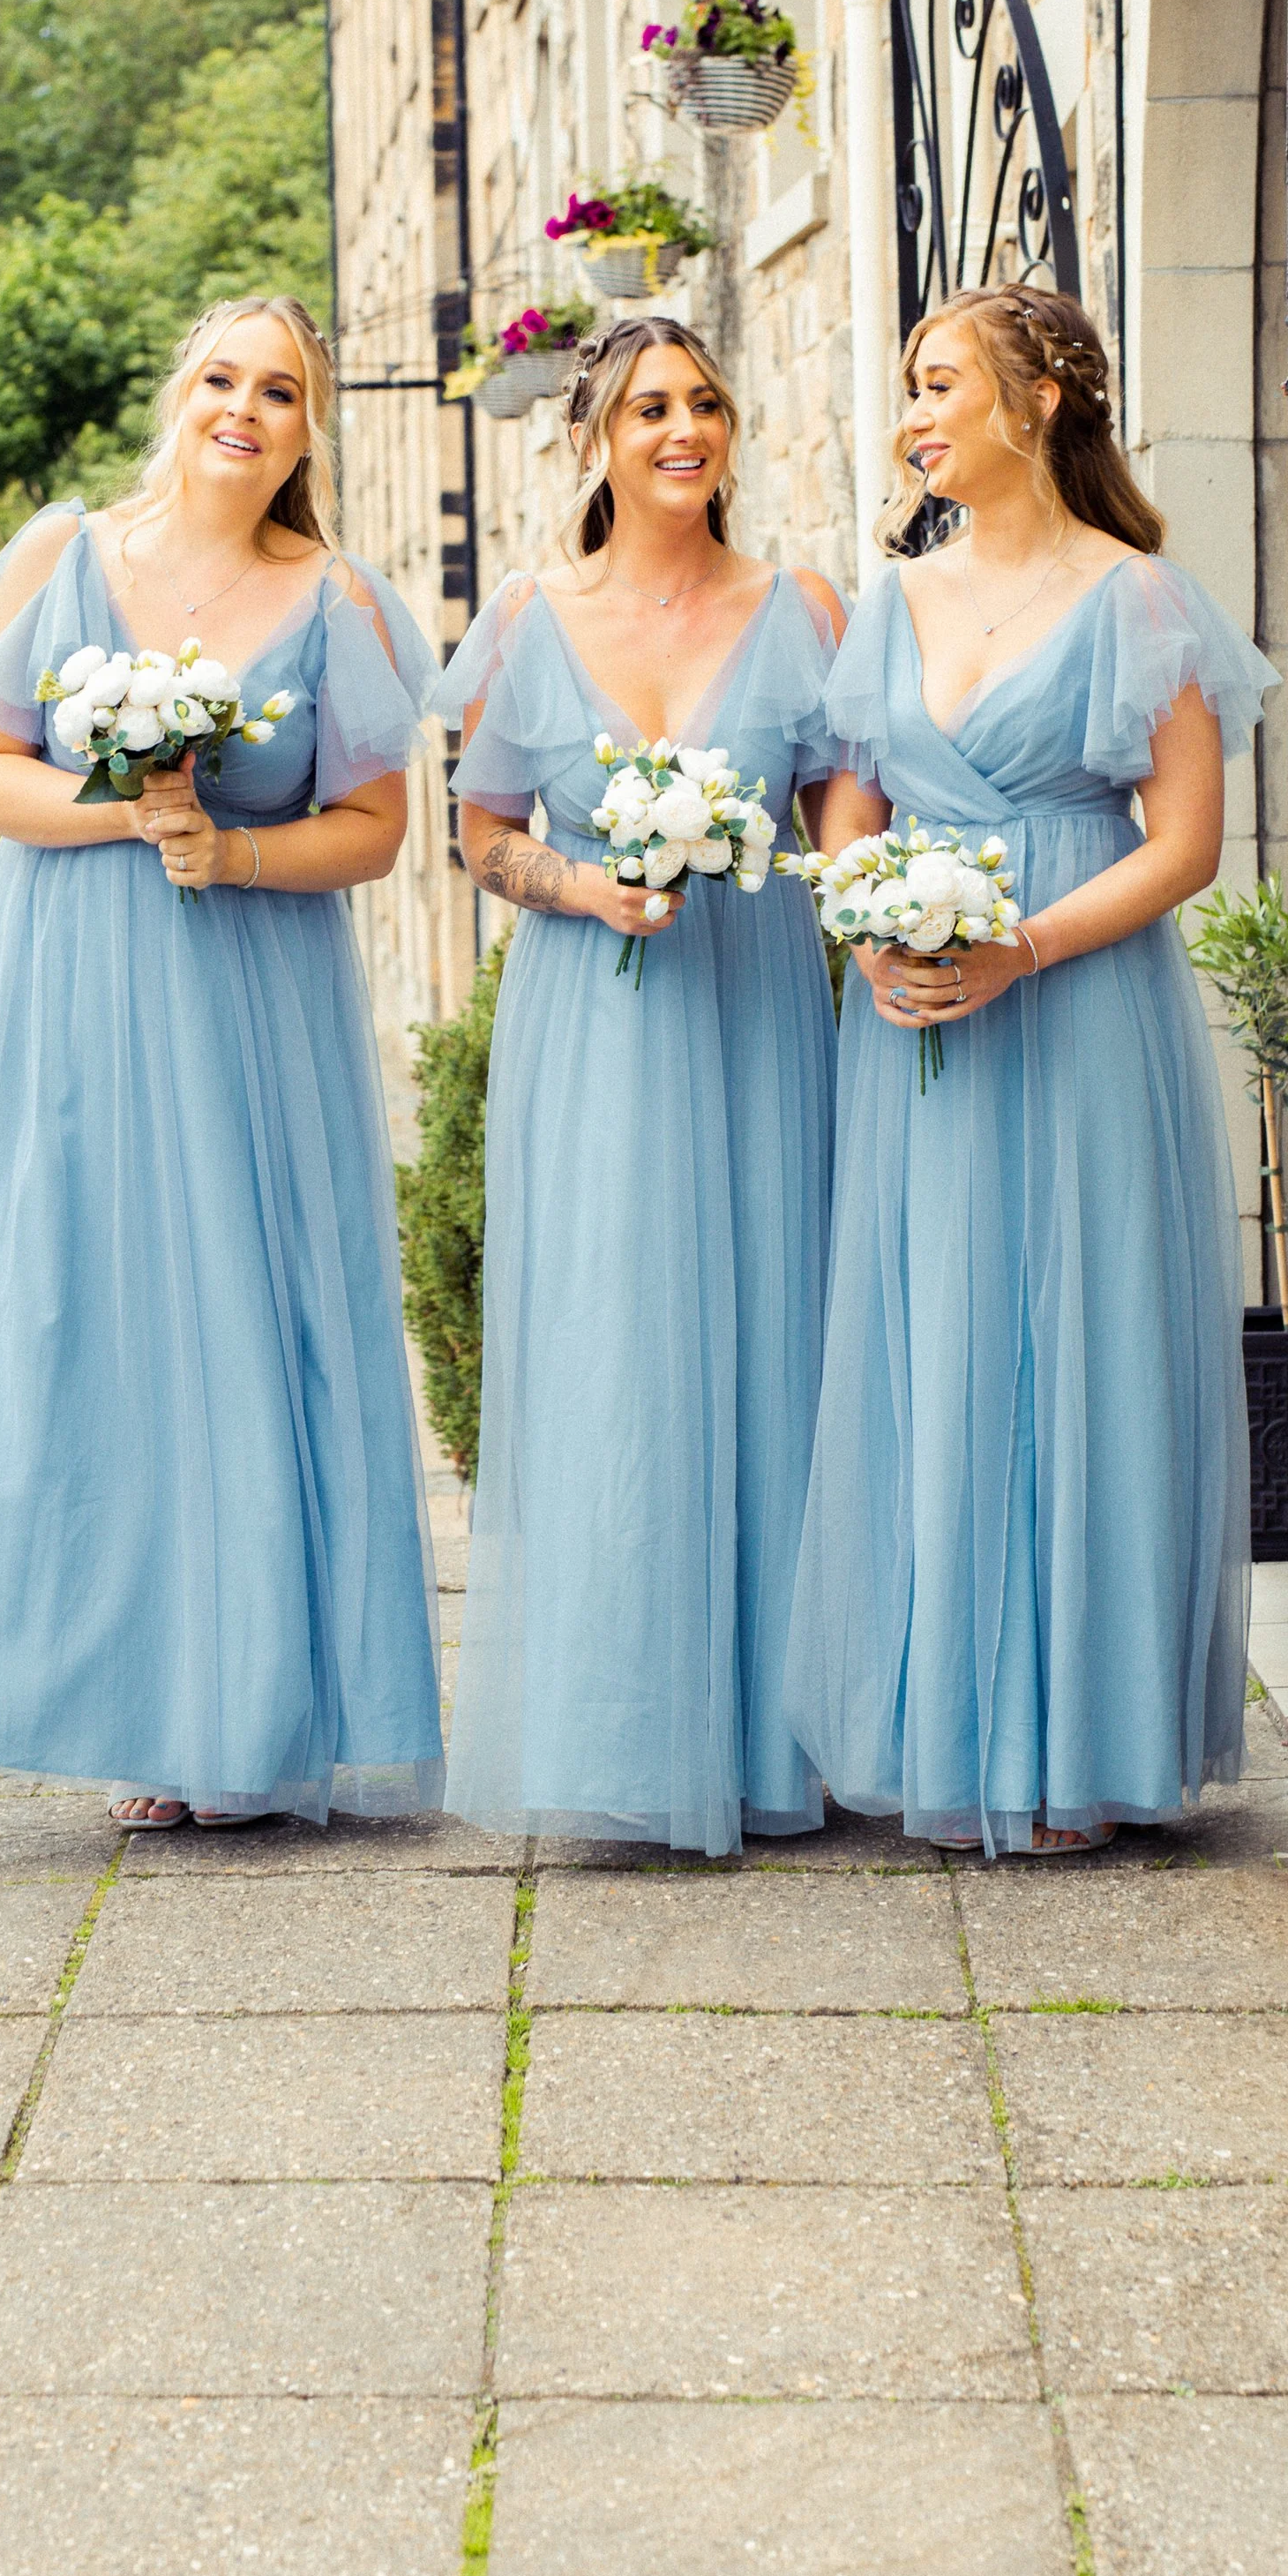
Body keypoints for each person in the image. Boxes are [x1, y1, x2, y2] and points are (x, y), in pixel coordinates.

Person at [0, 294, 444, 1829]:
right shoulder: (64, 555)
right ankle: (124, 1702)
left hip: (251, 990)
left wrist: (231, 850)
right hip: (71, 988)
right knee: (92, 1315)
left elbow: (373, 830)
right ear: (180, 394)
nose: (247, 407)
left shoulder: (342, 601)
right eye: (224, 378)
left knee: (249, 1314)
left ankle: (248, 1715)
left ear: (312, 426)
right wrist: (132, 807)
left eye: (283, 390)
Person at [784, 284, 1277, 1854]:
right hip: (915, 1015)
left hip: (1075, 1005)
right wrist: (866, 922)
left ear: (1042, 398)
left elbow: (1187, 846)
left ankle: (1077, 1732)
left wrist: (1023, 949)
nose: (913, 417)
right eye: (907, 390)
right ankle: (948, 1720)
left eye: (940, 386)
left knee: (1078, 1341)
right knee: (933, 1333)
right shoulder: (891, 600)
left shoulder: (1140, 597)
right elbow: (848, 798)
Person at [433, 315, 846, 1855]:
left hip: (753, 1006)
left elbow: (844, 823)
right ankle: (620, 1726)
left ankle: (777, 1728)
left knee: (766, 1322)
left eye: (708, 403)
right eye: (653, 407)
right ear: (596, 440)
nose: (687, 428)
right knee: (614, 1342)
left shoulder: (802, 608)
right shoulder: (530, 613)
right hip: (590, 1025)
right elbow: (480, 837)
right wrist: (586, 887)